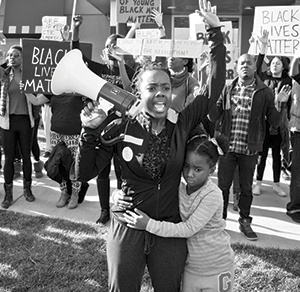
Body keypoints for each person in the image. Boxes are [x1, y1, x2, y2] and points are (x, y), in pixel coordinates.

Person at [72, 1, 226, 290]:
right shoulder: (121, 126)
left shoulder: (181, 123)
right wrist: (88, 132)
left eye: (166, 88)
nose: (160, 94)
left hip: (167, 231)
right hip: (127, 227)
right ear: (138, 91)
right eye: (152, 87)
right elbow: (83, 174)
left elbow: (213, 88)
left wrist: (215, 32)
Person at [123, 133, 235, 292]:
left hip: (217, 267)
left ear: (212, 170)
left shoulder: (213, 195)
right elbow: (154, 191)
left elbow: (188, 228)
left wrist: (148, 224)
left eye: (198, 169)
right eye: (186, 166)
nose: (190, 174)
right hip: (191, 268)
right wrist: (120, 194)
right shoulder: (180, 188)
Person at [209, 52, 291, 241]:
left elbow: (275, 122)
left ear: (255, 68)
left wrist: (281, 103)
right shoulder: (228, 89)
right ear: (237, 68)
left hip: (249, 149)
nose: (245, 65)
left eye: (249, 63)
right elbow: (214, 116)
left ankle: (245, 221)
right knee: (222, 187)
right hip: (227, 148)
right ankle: (219, 222)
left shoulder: (265, 92)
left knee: (246, 189)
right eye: (242, 63)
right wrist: (209, 98)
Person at [72, 15, 136, 224]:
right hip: (99, 130)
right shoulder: (98, 69)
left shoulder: (131, 71)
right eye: (111, 46)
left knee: (121, 172)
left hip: (121, 131)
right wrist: (76, 29)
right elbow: (76, 55)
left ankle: (119, 208)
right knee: (101, 173)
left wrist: (121, 63)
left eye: (118, 46)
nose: (114, 48)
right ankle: (104, 210)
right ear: (106, 48)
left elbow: (129, 91)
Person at [26, 92, 89, 210]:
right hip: (56, 133)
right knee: (57, 164)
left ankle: (75, 194)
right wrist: (27, 90)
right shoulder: (54, 89)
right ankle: (64, 192)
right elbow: (36, 101)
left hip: (74, 134)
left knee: (75, 166)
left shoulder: (79, 89)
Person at [251, 31, 292, 197]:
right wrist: (263, 47)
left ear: (283, 66)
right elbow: (258, 64)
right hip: (264, 123)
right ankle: (258, 182)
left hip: (280, 123)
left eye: (278, 63)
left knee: (276, 153)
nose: (274, 65)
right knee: (261, 155)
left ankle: (276, 184)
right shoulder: (263, 78)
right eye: (273, 63)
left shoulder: (288, 81)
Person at [0, 45, 36, 209]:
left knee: (26, 157)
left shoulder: (30, 74)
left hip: (25, 121)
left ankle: (27, 190)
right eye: (9, 55)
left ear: (22, 57)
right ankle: (8, 194)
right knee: (8, 158)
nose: (11, 57)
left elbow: (38, 94)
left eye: (15, 55)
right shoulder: (4, 74)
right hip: (8, 121)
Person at [286, 53, 300, 223]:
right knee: (297, 173)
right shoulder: (297, 76)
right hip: (298, 132)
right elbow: (294, 73)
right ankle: (295, 206)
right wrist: (297, 55)